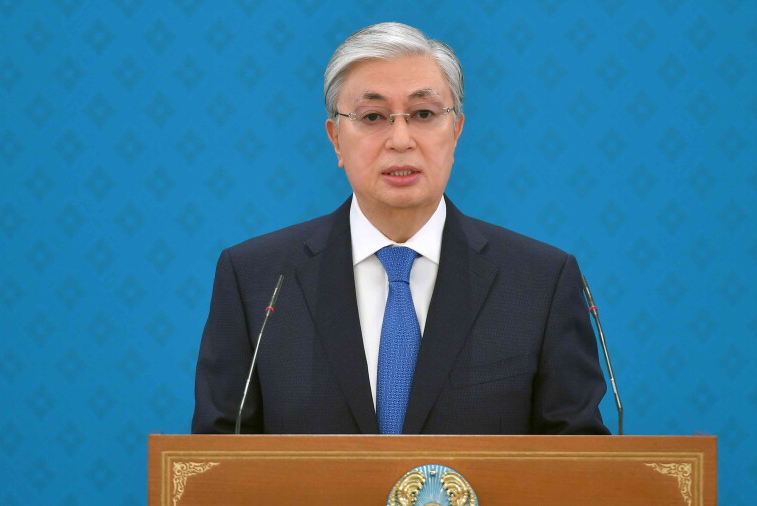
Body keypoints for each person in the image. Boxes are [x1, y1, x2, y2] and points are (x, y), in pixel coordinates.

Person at [192, 22, 609, 435]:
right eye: (373, 116)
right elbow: (216, 457)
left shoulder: (541, 282)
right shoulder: (256, 279)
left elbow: (581, 461)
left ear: (456, 131)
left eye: (423, 114)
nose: (401, 139)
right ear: (336, 139)